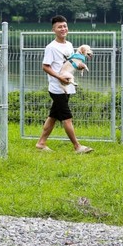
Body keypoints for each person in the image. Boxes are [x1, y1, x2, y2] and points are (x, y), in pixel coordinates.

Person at [35, 15, 93, 154]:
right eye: (59, 27)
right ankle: (77, 146)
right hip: (57, 89)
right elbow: (45, 66)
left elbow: (71, 63)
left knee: (53, 116)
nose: (63, 29)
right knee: (67, 118)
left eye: (65, 26)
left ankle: (41, 143)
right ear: (53, 29)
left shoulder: (69, 45)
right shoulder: (51, 47)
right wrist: (59, 76)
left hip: (67, 87)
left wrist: (78, 67)